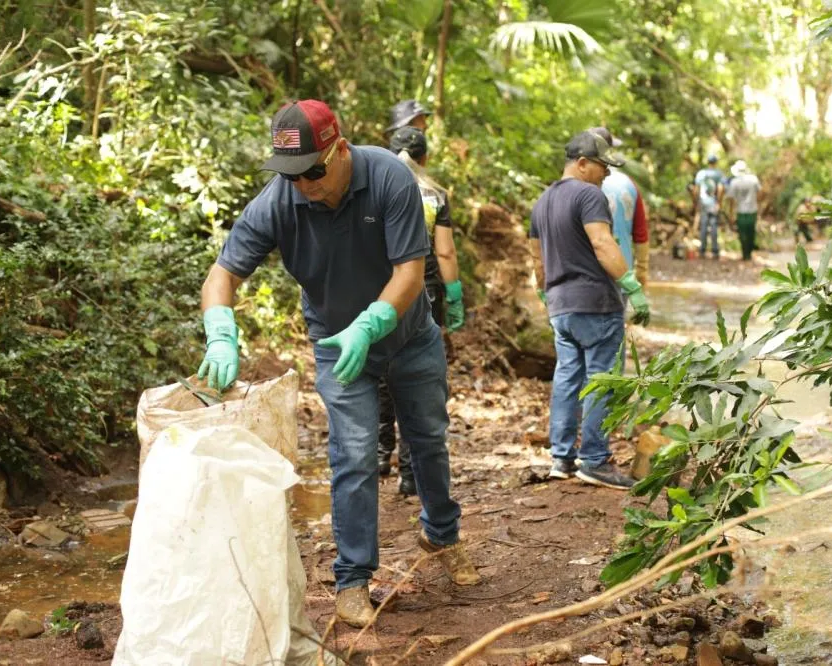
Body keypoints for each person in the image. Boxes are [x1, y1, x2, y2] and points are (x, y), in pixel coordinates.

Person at [196, 99, 480, 629]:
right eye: (292, 174)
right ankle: (352, 577)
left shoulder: (391, 178)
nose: (304, 184)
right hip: (336, 344)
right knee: (352, 455)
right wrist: (220, 332)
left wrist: (372, 324)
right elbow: (223, 275)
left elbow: (411, 274)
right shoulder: (280, 200)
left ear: (340, 149)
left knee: (428, 443)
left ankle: (442, 537)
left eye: (314, 171)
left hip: (410, 338)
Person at [529, 130, 649, 490]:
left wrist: (543, 291)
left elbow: (536, 257)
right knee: (601, 378)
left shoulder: (542, 201)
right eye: (602, 167)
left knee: (567, 377)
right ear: (581, 164)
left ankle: (562, 458)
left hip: (561, 306)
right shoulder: (589, 195)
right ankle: (595, 460)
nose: (606, 175)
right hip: (596, 303)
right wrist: (631, 284)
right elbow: (602, 242)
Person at [378, 126, 464, 496]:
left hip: (380, 292)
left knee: (380, 373)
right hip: (424, 294)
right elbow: (444, 251)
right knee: (416, 376)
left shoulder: (374, 189)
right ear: (426, 157)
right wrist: (455, 293)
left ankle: (380, 455)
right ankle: (411, 473)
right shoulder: (436, 194)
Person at [587, 127, 651, 325]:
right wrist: (642, 271)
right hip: (622, 273)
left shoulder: (582, 183)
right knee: (614, 338)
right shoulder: (629, 184)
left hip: (586, 274)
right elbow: (641, 234)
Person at [726, 160, 762, 261]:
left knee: (742, 233)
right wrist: (759, 207)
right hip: (752, 210)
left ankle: (745, 253)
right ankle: (749, 254)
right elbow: (759, 193)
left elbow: (731, 200)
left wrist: (731, 213)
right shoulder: (753, 179)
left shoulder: (734, 182)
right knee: (751, 232)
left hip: (741, 211)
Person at [694, 154, 726, 259]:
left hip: (703, 202)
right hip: (713, 203)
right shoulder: (719, 174)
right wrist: (719, 203)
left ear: (708, 162)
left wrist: (696, 202)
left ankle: (702, 251)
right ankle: (715, 251)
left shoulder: (701, 173)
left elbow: (696, 189)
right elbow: (721, 189)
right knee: (713, 226)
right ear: (715, 163)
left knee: (703, 226)